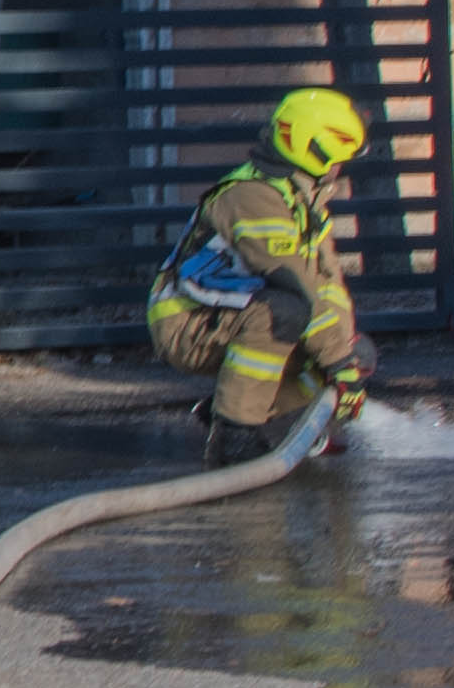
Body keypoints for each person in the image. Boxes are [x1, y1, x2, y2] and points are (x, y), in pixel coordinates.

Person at [150, 87, 373, 459]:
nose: (340, 170)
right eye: (338, 160)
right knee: (284, 312)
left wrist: (346, 357)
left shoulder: (303, 201)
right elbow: (295, 283)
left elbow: (327, 286)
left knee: (348, 348)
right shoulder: (253, 198)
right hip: (186, 322)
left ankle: (232, 413)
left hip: (232, 314)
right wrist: (336, 364)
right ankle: (234, 437)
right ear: (314, 149)